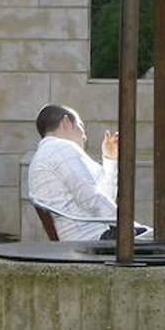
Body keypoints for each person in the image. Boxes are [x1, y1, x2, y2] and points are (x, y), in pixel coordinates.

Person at [27, 103, 120, 241]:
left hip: (86, 237)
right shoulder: (60, 148)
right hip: (93, 239)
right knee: (159, 238)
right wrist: (128, 226)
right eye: (81, 127)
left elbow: (101, 198)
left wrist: (110, 160)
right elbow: (91, 198)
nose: (84, 136)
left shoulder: (46, 153)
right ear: (66, 122)